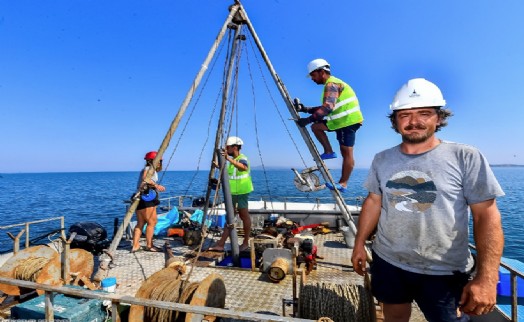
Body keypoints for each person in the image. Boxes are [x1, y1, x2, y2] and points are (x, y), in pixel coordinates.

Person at [351, 78, 504, 321]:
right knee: (394, 315)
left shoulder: (465, 157)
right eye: (405, 115)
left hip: (444, 270)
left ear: (439, 118)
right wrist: (359, 244)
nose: (414, 122)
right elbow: (373, 201)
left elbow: (486, 215)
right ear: (395, 121)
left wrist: (487, 277)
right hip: (388, 259)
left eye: (424, 113)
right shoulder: (382, 159)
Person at [296, 58, 364, 193]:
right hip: (340, 121)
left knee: (347, 153)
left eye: (313, 75)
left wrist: (308, 119)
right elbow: (325, 107)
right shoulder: (332, 84)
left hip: (348, 121)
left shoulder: (331, 84)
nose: (312, 79)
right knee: (316, 127)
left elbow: (327, 108)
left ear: (321, 72)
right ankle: (328, 152)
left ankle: (343, 183)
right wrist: (305, 109)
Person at [209, 136, 254, 252]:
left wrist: (228, 159)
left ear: (234, 147)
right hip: (231, 193)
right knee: (230, 218)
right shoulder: (231, 161)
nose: (226, 149)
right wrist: (218, 166)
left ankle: (245, 243)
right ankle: (221, 243)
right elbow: (230, 173)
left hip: (241, 193)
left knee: (244, 216)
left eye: (227, 147)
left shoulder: (241, 158)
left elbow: (243, 167)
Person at [131, 151, 166, 253]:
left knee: (140, 223)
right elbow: (145, 178)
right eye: (159, 161)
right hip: (147, 199)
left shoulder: (148, 169)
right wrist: (156, 186)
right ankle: (149, 245)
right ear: (153, 161)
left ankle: (135, 245)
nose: (160, 163)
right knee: (152, 222)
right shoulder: (148, 169)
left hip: (140, 198)